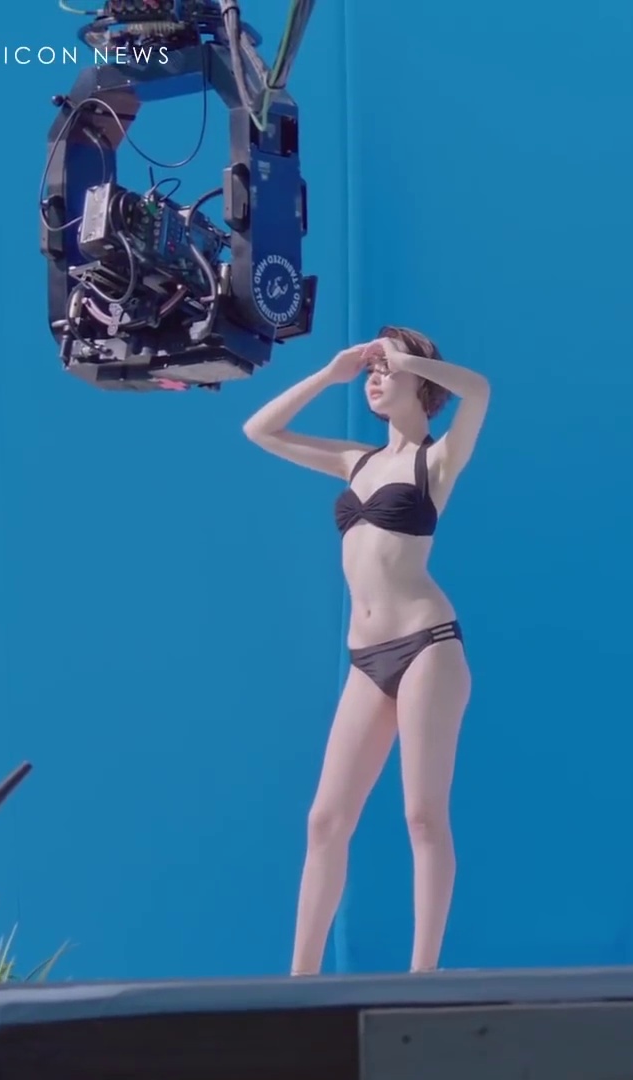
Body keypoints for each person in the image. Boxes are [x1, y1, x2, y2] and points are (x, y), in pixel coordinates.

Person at [243, 327, 490, 975]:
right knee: (325, 821)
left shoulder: (437, 461)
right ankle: (300, 981)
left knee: (423, 816)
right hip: (367, 660)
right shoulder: (356, 461)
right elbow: (260, 430)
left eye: (386, 368)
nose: (374, 378)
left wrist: (406, 356)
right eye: (372, 370)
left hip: (427, 646)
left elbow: (480, 390)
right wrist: (331, 373)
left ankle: (423, 977)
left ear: (418, 378)